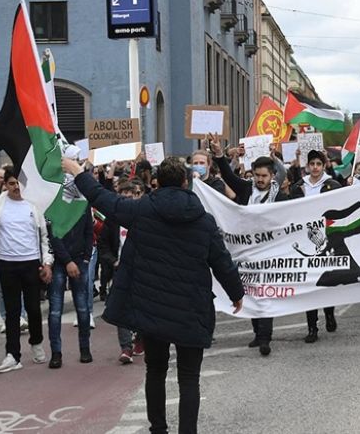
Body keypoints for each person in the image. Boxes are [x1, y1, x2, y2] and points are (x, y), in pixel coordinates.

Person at [62, 155, 244, 434]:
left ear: (157, 183)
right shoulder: (204, 221)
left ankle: (158, 428)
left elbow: (102, 198)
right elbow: (222, 261)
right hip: (191, 307)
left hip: (151, 306)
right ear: (186, 182)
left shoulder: (140, 210)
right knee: (189, 378)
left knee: (156, 370)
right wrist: (236, 293)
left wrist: (77, 171)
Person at [211, 134, 286, 356]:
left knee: (264, 293)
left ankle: (265, 338)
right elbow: (226, 174)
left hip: (268, 252)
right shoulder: (245, 189)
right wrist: (219, 155)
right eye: (256, 175)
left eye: (264, 175)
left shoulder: (280, 197)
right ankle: (257, 332)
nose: (259, 179)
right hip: (245, 251)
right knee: (250, 292)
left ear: (273, 176)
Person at [0, 166, 52, 373]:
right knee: (12, 312)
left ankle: (36, 342)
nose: (17, 187)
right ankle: (12, 355)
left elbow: (44, 236)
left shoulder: (34, 205)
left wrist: (47, 262)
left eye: (20, 183)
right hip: (6, 263)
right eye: (12, 183)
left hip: (31, 263)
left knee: (33, 308)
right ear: (5, 184)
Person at [289, 150, 341, 344]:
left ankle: (329, 312)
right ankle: (312, 326)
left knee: (326, 279)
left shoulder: (332, 185)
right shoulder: (299, 186)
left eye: (319, 163)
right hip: (306, 238)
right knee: (309, 284)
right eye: (312, 164)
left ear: (324, 165)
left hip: (327, 239)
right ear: (307, 166)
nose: (315, 167)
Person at [98, 181, 144, 363]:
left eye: (130, 196)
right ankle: (126, 347)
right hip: (121, 269)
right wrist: (113, 261)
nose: (126, 200)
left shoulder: (143, 218)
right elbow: (103, 245)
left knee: (142, 306)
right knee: (120, 306)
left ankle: (141, 339)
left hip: (141, 269)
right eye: (122, 197)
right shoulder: (113, 220)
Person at [47, 206, 93, 368]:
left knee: (82, 307)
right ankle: (56, 352)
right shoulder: (56, 203)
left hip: (81, 259)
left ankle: (85, 348)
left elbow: (89, 231)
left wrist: (87, 257)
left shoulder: (83, 203)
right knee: (55, 310)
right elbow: (53, 235)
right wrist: (67, 261)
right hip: (59, 261)